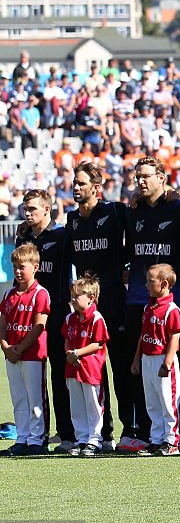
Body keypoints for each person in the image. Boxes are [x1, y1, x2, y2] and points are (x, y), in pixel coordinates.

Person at [126, 157, 180, 449]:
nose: (141, 181)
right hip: (139, 300)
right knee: (143, 371)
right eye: (138, 176)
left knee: (175, 369)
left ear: (162, 178)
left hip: (171, 304)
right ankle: (148, 432)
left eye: (147, 176)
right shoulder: (133, 211)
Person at [66, 163, 124, 450]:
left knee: (121, 368)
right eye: (74, 183)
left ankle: (132, 431)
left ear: (95, 187)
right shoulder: (72, 220)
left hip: (113, 298)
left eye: (81, 183)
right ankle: (101, 434)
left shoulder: (114, 211)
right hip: (84, 307)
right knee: (90, 372)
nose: (76, 187)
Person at [15, 189, 75, 452]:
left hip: (57, 312)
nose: (28, 214)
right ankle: (36, 433)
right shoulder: (24, 236)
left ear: (47, 210)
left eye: (33, 209)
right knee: (32, 377)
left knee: (61, 374)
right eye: (25, 209)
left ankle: (67, 432)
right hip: (29, 316)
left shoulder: (61, 236)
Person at [0, 244, 51, 456]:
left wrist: (20, 348)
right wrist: (6, 347)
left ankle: (37, 440)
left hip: (32, 355)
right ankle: (21, 438)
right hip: (12, 355)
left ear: (35, 267)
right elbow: (2, 324)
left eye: (22, 266)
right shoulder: (9, 294)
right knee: (19, 398)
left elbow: (40, 325)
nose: (18, 271)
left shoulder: (41, 293)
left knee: (35, 399)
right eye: (15, 267)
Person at [130, 264, 180, 456]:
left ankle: (171, 441)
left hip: (163, 360)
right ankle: (156, 440)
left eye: (150, 281)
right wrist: (137, 359)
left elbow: (174, 338)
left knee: (168, 403)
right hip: (147, 359)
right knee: (152, 402)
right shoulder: (148, 307)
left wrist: (167, 363)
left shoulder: (171, 309)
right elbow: (143, 336)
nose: (145, 285)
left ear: (164, 284)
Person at [61, 275, 109, 456]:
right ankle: (81, 438)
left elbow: (98, 343)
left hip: (91, 369)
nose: (73, 300)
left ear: (91, 298)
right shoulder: (69, 318)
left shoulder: (97, 318)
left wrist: (77, 353)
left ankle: (95, 439)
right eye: (72, 296)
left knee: (93, 404)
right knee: (76, 404)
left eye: (77, 296)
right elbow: (66, 340)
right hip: (72, 368)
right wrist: (69, 354)